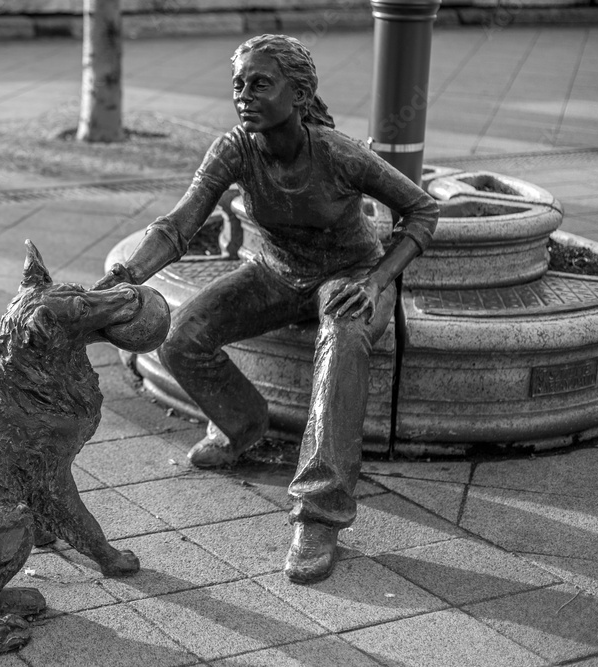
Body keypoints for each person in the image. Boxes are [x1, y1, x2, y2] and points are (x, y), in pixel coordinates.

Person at [94, 34, 438, 584]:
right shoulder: (235, 148)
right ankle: (241, 426)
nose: (244, 94)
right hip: (275, 272)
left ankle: (319, 514)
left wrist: (376, 282)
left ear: (299, 94)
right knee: (183, 335)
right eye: (238, 84)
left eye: (260, 83)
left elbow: (422, 211)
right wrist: (125, 277)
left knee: (345, 334)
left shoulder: (339, 153)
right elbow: (178, 227)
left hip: (348, 277)